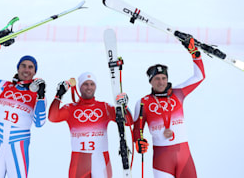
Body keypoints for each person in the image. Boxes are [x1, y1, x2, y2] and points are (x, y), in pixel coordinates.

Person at [133, 36, 205, 178]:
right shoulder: (143, 102)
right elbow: (137, 128)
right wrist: (138, 141)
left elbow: (199, 76)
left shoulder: (178, 93)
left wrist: (194, 53)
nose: (161, 82)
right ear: (151, 82)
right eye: (157, 79)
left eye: (164, 78)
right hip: (162, 159)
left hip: (184, 156)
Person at [0, 43, 46, 178]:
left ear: (35, 72)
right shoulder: (4, 86)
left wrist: (41, 97)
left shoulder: (37, 95)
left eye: (31, 67)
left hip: (18, 145)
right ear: (18, 68)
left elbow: (39, 123)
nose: (26, 69)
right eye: (23, 66)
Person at [48, 72, 134, 178]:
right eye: (85, 84)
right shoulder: (71, 108)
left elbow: (129, 122)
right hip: (79, 159)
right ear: (79, 87)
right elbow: (53, 117)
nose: (89, 87)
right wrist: (59, 95)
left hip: (101, 158)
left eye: (92, 84)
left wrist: (124, 106)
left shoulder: (104, 107)